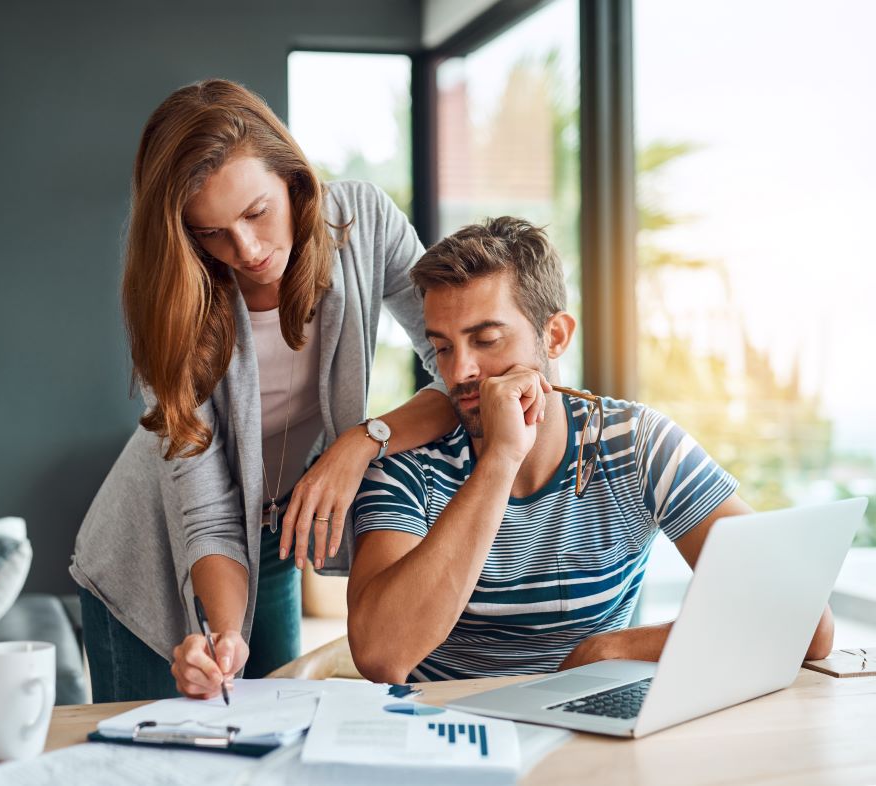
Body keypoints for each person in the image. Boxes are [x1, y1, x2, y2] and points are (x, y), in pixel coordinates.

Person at [69, 79, 455, 702]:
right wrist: (221, 636)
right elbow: (205, 508)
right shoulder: (176, 305)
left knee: (275, 738)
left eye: (255, 213)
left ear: (293, 181)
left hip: (272, 535)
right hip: (152, 556)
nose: (245, 251)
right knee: (163, 757)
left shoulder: (363, 224)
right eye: (211, 233)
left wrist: (363, 441)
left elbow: (455, 366)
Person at [346, 217, 835, 683]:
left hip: (588, 735)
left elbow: (805, 622)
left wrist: (612, 649)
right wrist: (500, 459)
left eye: (487, 339)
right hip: (449, 737)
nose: (460, 372)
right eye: (444, 348)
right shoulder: (407, 465)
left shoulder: (635, 443)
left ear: (554, 336)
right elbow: (380, 656)